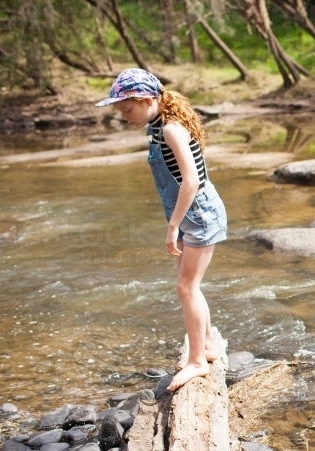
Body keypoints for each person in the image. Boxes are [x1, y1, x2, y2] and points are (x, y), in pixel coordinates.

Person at [96, 69, 228, 393]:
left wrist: (173, 227)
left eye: (128, 111)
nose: (124, 118)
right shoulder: (156, 129)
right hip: (185, 213)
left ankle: (198, 361)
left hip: (198, 214)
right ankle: (207, 345)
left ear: (147, 100)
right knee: (188, 286)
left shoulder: (170, 129)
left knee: (186, 287)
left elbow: (192, 181)